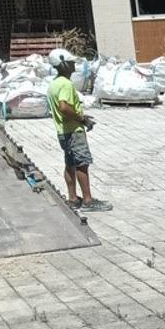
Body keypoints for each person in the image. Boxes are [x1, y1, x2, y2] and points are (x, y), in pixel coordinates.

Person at [47, 52, 111, 212]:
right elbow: (64, 107)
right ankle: (88, 201)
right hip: (73, 131)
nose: (74, 65)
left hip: (63, 131)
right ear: (63, 65)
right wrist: (81, 119)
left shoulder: (53, 84)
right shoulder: (65, 85)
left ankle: (73, 198)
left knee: (70, 164)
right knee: (82, 164)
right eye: (71, 62)